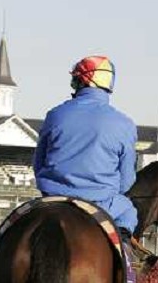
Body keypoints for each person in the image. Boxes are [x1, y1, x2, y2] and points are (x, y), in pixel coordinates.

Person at [33, 55, 139, 243]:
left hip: (53, 199)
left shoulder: (54, 115)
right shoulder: (125, 124)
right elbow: (127, 181)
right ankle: (125, 263)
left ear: (80, 81)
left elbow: (38, 164)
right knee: (128, 210)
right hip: (102, 203)